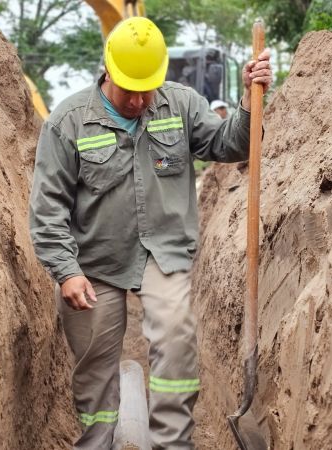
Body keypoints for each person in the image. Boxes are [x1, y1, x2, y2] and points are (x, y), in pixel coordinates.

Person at [28, 16, 271, 450]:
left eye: (148, 89)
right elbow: (48, 208)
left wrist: (250, 104)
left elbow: (229, 145)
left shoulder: (181, 104)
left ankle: (172, 443)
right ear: (108, 70)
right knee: (94, 367)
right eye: (130, 90)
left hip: (163, 252)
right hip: (93, 263)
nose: (140, 100)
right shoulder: (67, 122)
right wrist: (66, 271)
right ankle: (98, 442)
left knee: (176, 342)